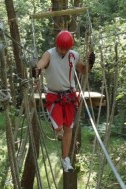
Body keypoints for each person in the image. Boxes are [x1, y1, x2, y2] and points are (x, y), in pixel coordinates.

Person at [33, 30, 95, 172]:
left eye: (66, 49)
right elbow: (41, 63)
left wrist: (90, 63)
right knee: (59, 127)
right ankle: (58, 132)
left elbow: (84, 70)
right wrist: (37, 69)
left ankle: (65, 159)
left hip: (69, 96)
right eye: (61, 48)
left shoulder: (74, 55)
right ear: (57, 45)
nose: (63, 51)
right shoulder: (49, 54)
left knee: (69, 128)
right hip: (54, 97)